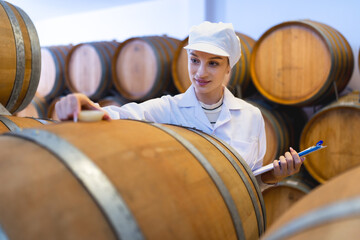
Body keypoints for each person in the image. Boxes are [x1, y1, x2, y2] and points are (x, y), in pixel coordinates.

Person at [55, 21, 304, 188]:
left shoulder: (251, 116)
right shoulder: (168, 109)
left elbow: (253, 182)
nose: (200, 72)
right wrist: (82, 106)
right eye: (194, 60)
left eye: (213, 63)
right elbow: (121, 115)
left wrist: (275, 175)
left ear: (229, 67)